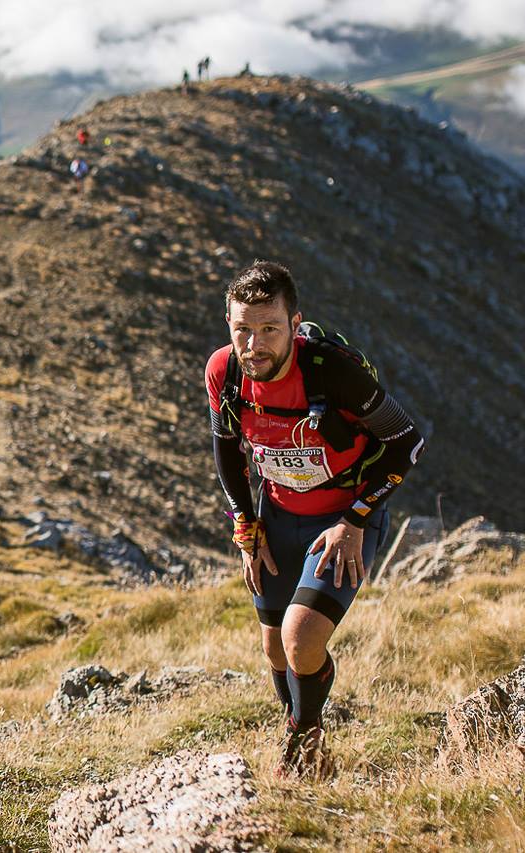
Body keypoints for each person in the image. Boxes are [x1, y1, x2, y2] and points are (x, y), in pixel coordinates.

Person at [206, 261, 425, 778]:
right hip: (278, 515)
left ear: (294, 323)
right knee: (274, 647)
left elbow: (407, 443)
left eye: (269, 329)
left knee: (300, 638)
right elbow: (226, 450)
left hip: (345, 519)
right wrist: (246, 526)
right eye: (242, 330)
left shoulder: (332, 372)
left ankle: (304, 741)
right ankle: (302, 727)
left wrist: (355, 520)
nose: (254, 345)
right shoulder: (225, 372)